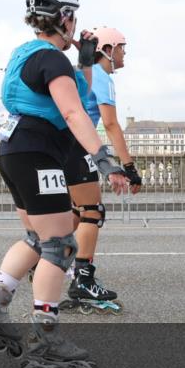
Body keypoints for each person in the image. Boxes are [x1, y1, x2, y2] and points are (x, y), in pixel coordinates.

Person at [0, 0, 128, 368]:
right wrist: (105, 159)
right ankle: (46, 337)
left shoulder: (25, 54)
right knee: (59, 246)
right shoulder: (51, 60)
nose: (76, 27)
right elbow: (73, 112)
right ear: (65, 18)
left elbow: (74, 91)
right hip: (39, 156)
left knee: (36, 239)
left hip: (14, 152)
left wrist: (84, 61)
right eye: (74, 19)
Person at [60, 26, 142, 315]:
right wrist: (129, 166)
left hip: (58, 144)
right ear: (107, 49)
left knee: (73, 215)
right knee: (92, 211)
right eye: (121, 47)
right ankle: (83, 279)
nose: (123, 53)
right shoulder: (102, 77)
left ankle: (43, 260)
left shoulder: (79, 71)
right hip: (76, 145)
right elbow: (110, 125)